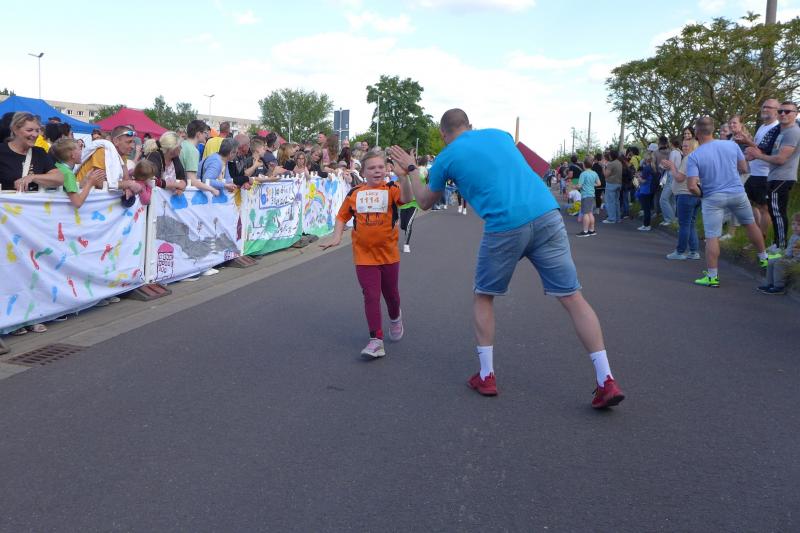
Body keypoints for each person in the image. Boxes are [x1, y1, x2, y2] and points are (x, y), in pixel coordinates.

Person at [388, 108, 625, 409]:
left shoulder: (447, 157)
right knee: (572, 297)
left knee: (484, 296)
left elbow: (423, 201)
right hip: (546, 214)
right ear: (470, 125)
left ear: (442, 134)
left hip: (505, 225)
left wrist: (411, 170)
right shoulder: (501, 135)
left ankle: (486, 375)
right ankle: (606, 379)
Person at [319, 152, 411, 358]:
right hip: (364, 255)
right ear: (363, 172)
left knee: (391, 295)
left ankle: (395, 317)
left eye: (380, 167)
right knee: (371, 295)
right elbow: (341, 216)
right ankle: (376, 340)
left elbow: (407, 199)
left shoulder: (392, 189)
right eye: (371, 168)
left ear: (386, 169)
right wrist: (336, 237)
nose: (377, 171)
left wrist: (404, 177)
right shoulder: (355, 193)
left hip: (388, 254)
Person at [685, 116, 771, 287]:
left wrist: (702, 194)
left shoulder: (694, 156)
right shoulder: (731, 145)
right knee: (750, 224)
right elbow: (744, 168)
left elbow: (692, 186)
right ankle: (763, 258)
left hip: (712, 197)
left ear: (696, 132)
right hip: (737, 193)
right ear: (713, 129)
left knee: (712, 236)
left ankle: (712, 276)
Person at [745, 101, 799, 252]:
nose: (783, 114)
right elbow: (769, 151)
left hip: (783, 177)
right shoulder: (780, 131)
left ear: (795, 114)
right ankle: (777, 243)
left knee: (777, 213)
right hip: (774, 176)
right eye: (781, 111)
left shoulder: (792, 132)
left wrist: (758, 156)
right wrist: (754, 153)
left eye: (787, 111)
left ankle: (780, 246)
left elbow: (781, 159)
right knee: (774, 212)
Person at [735, 99, 780, 241]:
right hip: (754, 172)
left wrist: (747, 142)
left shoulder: (776, 128)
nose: (765, 109)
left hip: (765, 174)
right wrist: (747, 148)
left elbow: (766, 151)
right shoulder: (762, 127)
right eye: (763, 107)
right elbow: (757, 148)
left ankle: (762, 238)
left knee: (764, 208)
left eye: (769, 107)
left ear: (777, 111)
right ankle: (756, 236)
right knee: (749, 204)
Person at [660, 138, 701, 259]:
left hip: (685, 195)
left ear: (693, 147)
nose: (684, 148)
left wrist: (672, 166)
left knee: (684, 224)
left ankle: (680, 252)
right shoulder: (698, 158)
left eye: (687, 146)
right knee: (690, 224)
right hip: (695, 195)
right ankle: (693, 251)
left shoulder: (688, 158)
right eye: (683, 146)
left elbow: (679, 178)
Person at [0, 112, 61, 192]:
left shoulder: (39, 152)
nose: (35, 135)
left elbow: (59, 178)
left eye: (37, 131)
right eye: (29, 130)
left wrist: (32, 177)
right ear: (15, 130)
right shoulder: (2, 151)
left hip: (32, 200)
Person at [76, 125, 135, 189]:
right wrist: (128, 184)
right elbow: (99, 184)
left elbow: (125, 179)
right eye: (129, 142)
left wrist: (128, 184)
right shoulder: (102, 151)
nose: (133, 146)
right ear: (116, 141)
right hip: (81, 191)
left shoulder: (122, 154)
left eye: (133, 142)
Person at [51, 138, 104, 208]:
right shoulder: (67, 173)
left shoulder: (58, 167)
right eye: (79, 149)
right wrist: (90, 183)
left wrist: (83, 181)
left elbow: (67, 188)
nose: (82, 151)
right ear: (73, 155)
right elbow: (78, 203)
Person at [758, 212, 799, 295]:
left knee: (779, 263)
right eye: (793, 224)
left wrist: (786, 257)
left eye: (799, 225)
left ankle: (779, 287)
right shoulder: (794, 236)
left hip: (797, 260)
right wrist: (783, 254)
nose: (795, 227)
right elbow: (789, 250)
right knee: (771, 261)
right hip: (789, 257)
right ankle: (770, 284)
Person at [659, 138, 682, 226]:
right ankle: (673, 220)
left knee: (663, 199)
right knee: (672, 200)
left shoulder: (673, 152)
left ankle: (669, 219)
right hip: (676, 176)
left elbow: (670, 165)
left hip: (671, 176)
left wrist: (662, 164)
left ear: (671, 143)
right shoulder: (680, 152)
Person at [576, 156, 600, 237]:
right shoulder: (594, 173)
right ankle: (592, 230)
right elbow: (599, 183)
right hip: (592, 195)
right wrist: (591, 184)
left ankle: (585, 231)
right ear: (592, 164)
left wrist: (575, 186)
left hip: (585, 195)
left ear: (584, 165)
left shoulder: (583, 174)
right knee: (590, 213)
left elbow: (579, 186)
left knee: (585, 213)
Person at [636, 152, 657, 231]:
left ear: (645, 159)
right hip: (650, 190)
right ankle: (647, 224)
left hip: (645, 190)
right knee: (648, 208)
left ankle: (646, 225)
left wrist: (638, 177)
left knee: (646, 209)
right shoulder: (653, 167)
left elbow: (643, 181)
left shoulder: (646, 168)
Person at [602, 149, 623, 223]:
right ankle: (617, 218)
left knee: (610, 202)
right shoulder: (619, 162)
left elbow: (606, 175)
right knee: (616, 201)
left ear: (611, 156)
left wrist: (603, 166)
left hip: (611, 184)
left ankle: (611, 218)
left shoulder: (611, 164)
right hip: (619, 183)